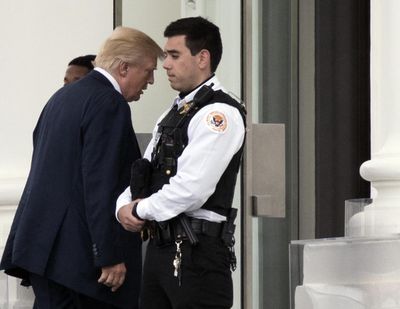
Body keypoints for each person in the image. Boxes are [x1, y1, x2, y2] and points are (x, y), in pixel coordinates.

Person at [0, 26, 163, 309]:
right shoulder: (109, 103)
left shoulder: (61, 98)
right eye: (148, 70)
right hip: (81, 267)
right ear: (124, 67)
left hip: (45, 255)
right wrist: (108, 255)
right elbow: (102, 184)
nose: (151, 80)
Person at [116, 17, 246, 309]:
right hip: (161, 249)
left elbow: (192, 189)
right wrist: (122, 206)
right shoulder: (174, 113)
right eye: (165, 56)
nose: (165, 65)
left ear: (202, 58)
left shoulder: (219, 114)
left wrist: (138, 209)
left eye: (174, 55)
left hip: (198, 255)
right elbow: (145, 169)